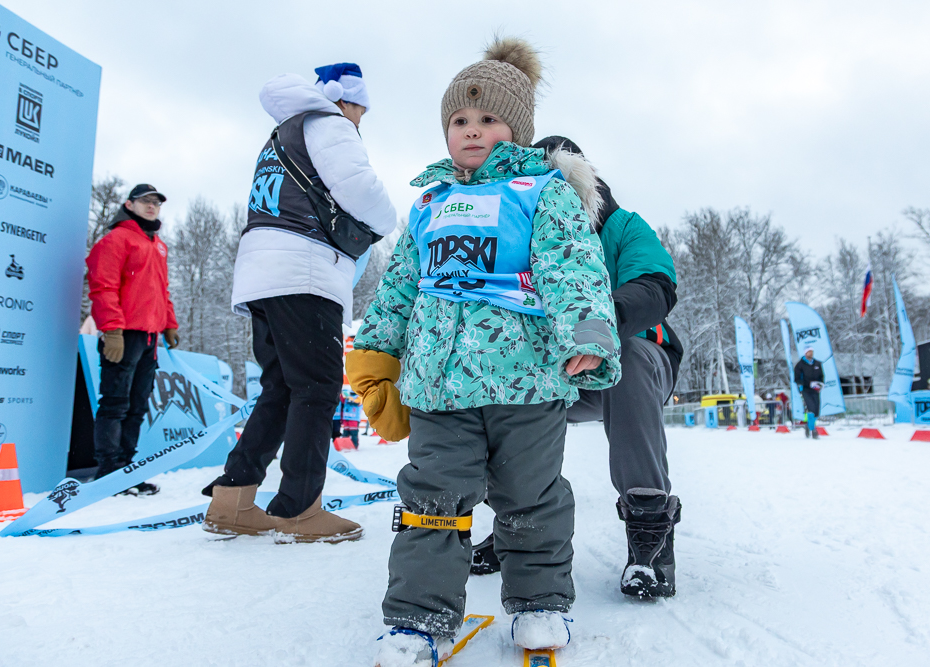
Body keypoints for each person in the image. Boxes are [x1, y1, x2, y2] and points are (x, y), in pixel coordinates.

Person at [346, 39, 622, 666]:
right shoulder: (429, 204)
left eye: (488, 119)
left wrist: (587, 335)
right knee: (430, 501)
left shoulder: (542, 193)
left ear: (518, 129)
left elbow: (574, 268)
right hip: (441, 389)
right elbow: (400, 288)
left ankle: (540, 604)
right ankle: (418, 618)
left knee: (531, 498)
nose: (472, 131)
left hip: (527, 384)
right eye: (459, 121)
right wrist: (375, 354)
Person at [470, 137, 684, 601]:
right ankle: (514, 524)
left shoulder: (622, 226)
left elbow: (654, 285)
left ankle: (650, 534)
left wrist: (595, 325)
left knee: (623, 355)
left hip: (637, 359)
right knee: (489, 383)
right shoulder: (521, 233)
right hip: (554, 370)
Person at [200, 63, 397, 542]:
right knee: (317, 387)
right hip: (304, 269)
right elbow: (361, 190)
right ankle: (299, 509)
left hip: (261, 271)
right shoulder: (330, 125)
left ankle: (234, 497)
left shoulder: (281, 134)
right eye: (360, 110)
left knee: (281, 388)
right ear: (345, 101)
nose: (359, 121)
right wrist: (388, 221)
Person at [85, 184, 179, 495]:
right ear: (129, 204)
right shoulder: (116, 239)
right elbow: (103, 286)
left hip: (150, 337)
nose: (152, 206)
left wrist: (169, 324)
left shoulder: (157, 245)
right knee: (115, 403)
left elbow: (161, 291)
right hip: (123, 335)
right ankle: (108, 473)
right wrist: (111, 329)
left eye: (156, 202)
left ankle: (125, 471)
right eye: (145, 201)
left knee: (137, 406)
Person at [794, 347, 824, 439]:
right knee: (810, 409)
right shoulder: (800, 365)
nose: (811, 353)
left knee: (816, 411)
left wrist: (820, 384)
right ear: (805, 353)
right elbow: (797, 378)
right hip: (806, 390)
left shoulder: (817, 363)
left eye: (812, 351)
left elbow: (821, 376)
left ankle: (808, 425)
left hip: (815, 390)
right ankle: (813, 430)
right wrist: (802, 385)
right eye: (809, 352)